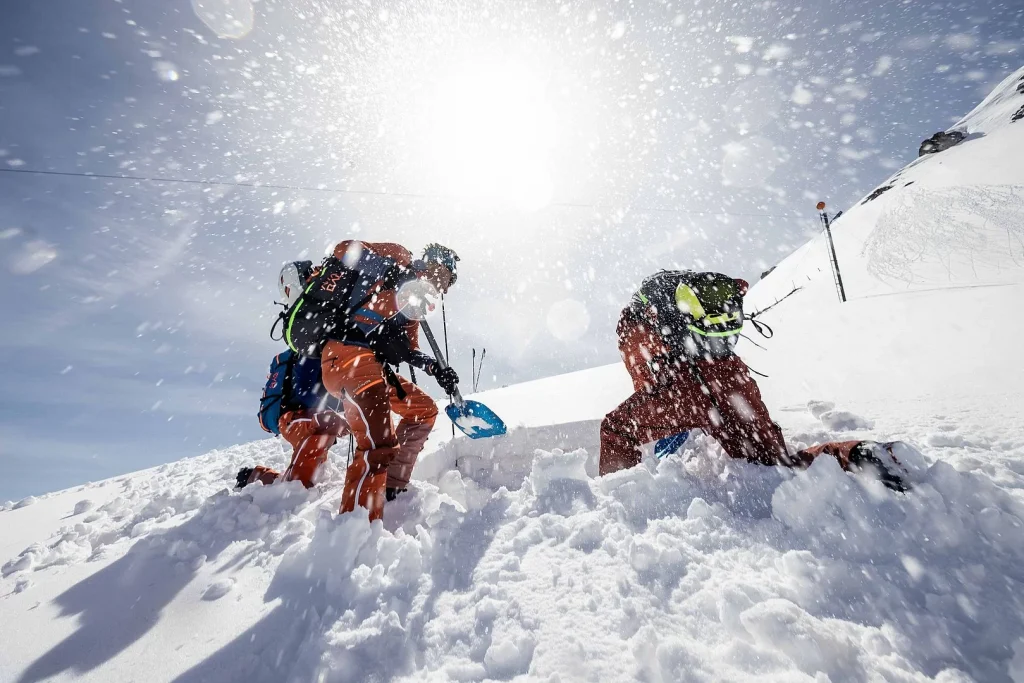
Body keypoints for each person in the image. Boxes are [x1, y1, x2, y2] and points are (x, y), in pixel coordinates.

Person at [600, 269, 908, 490]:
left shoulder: (714, 340)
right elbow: (650, 373)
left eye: (727, 340)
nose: (721, 347)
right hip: (699, 370)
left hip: (706, 376)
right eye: (713, 341)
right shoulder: (649, 324)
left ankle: (853, 453)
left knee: (769, 459)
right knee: (621, 426)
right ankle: (626, 497)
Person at [278, 241, 461, 521]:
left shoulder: (413, 308)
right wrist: (390, 270)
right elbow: (343, 250)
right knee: (378, 441)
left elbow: (410, 350)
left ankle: (391, 486)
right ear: (434, 263)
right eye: (446, 276)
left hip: (372, 367)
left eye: (448, 284)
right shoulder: (399, 258)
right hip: (344, 354)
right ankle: (357, 524)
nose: (444, 287)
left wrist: (435, 368)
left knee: (423, 410)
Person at [237, 349, 350, 489]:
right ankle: (288, 490)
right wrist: (345, 409)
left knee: (311, 476)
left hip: (300, 419)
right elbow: (305, 393)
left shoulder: (320, 354)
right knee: (298, 485)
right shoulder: (313, 352)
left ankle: (254, 476)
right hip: (295, 418)